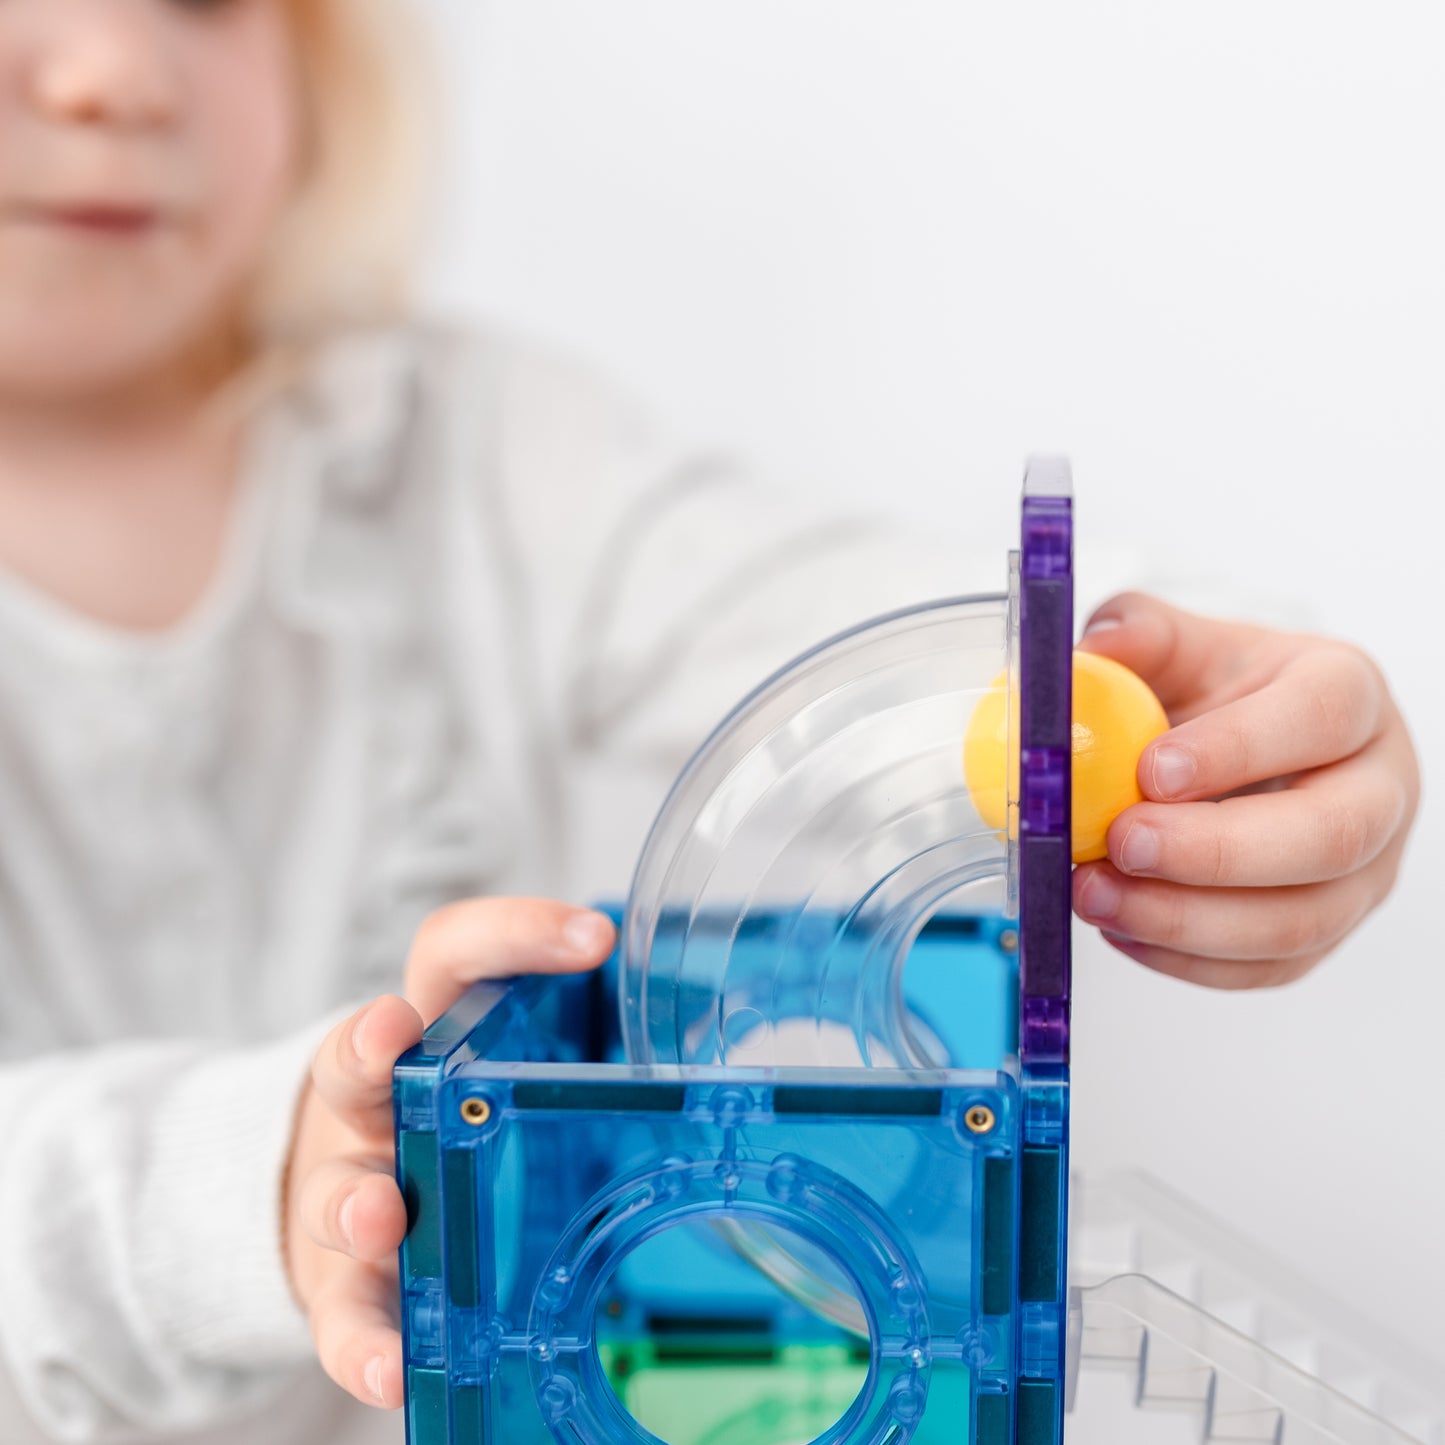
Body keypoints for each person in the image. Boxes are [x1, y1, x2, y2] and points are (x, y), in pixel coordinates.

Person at [0, 2, 1420, 1441]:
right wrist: (250, 1179)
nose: (116, 71)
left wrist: (1236, 728)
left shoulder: (471, 452)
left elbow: (859, 630)